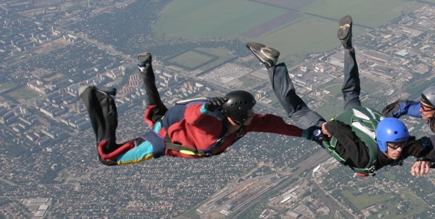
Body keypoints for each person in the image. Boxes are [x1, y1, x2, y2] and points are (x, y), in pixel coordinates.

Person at [246, 15, 435, 177]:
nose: (398, 149)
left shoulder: (403, 145)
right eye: (394, 146)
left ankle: (348, 47)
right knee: (297, 111)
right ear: (381, 142)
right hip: (333, 132)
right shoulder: (362, 158)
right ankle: (272, 66)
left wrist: (427, 160)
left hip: (355, 118)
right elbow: (338, 130)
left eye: (401, 144)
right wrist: (324, 128)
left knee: (351, 94)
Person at [80, 52, 311, 165]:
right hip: (163, 138)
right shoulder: (213, 126)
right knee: (108, 157)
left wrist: (305, 133)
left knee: (157, 109)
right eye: (249, 112)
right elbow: (193, 118)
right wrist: (204, 108)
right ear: (238, 116)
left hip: (175, 126)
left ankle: (145, 69)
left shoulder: (243, 125)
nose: (253, 115)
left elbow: (273, 125)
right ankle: (102, 99)